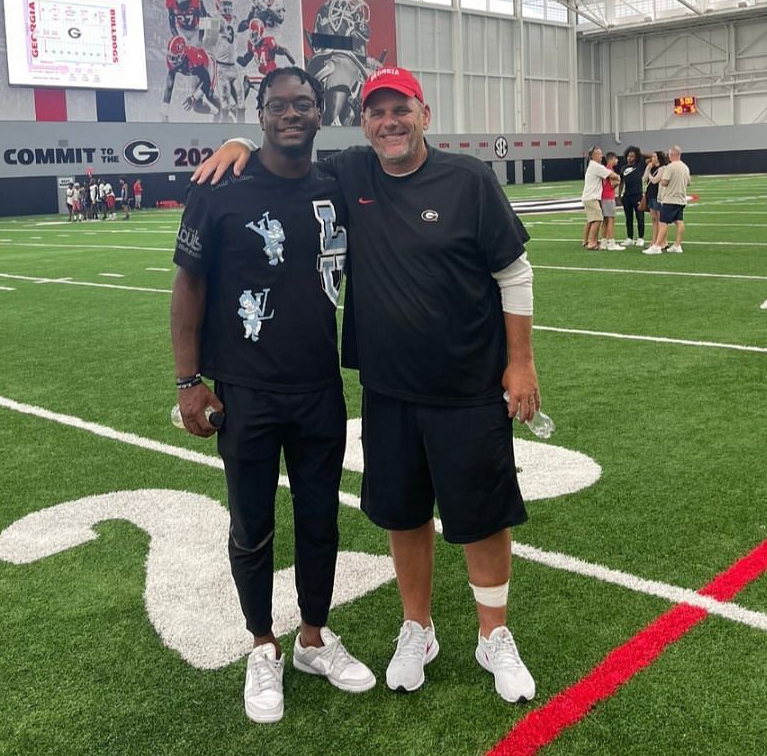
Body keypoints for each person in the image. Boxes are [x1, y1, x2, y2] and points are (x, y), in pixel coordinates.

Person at [193, 66, 541, 705]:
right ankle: (418, 629)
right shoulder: (350, 174)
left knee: (483, 513)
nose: (390, 122)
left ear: (424, 114)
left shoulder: (469, 178)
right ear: (363, 124)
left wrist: (520, 363)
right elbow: (285, 147)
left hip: (467, 382)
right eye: (377, 112)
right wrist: (240, 146)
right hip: (387, 388)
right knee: (404, 512)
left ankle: (494, 635)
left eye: (400, 109)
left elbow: (514, 273)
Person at [170, 67, 375, 724]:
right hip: (247, 391)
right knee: (252, 527)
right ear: (260, 114)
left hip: (320, 386)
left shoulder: (337, 182)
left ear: (321, 113)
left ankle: (314, 637)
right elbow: (188, 289)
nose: (293, 114)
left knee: (321, 522)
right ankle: (262, 644)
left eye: (304, 104)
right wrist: (188, 381)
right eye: (279, 105)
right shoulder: (222, 189)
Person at [646, 145, 692, 254]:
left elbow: (665, 182)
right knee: (679, 222)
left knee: (663, 223)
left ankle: (657, 246)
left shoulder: (670, 167)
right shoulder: (685, 167)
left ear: (672, 155)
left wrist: (661, 180)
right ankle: (677, 245)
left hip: (670, 199)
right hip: (681, 199)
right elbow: (689, 183)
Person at [579, 146, 616, 250]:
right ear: (593, 156)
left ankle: (586, 241)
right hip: (591, 197)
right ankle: (592, 242)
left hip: (588, 196)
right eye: (599, 154)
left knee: (591, 220)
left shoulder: (593, 165)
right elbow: (611, 175)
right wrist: (618, 177)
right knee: (598, 219)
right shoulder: (596, 166)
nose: (601, 156)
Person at [618, 146, 646, 246]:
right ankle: (629, 238)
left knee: (640, 218)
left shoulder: (640, 165)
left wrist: (640, 154)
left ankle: (641, 238)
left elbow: (652, 156)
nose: (629, 158)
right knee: (628, 218)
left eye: (632, 156)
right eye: (628, 156)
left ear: (636, 157)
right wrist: (619, 195)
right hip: (627, 196)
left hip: (637, 195)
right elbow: (621, 182)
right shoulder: (623, 168)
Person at [599, 152, 623, 250]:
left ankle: (604, 241)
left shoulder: (606, 169)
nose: (617, 160)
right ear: (611, 159)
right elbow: (613, 184)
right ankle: (611, 242)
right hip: (608, 196)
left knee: (605, 220)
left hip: (604, 196)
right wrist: (618, 181)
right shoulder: (609, 169)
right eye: (615, 159)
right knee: (611, 219)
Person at [641, 149, 663, 245]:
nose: (652, 159)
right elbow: (644, 179)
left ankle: (661, 241)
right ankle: (654, 240)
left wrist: (649, 173)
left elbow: (654, 180)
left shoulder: (662, 168)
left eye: (654, 157)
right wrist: (648, 169)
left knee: (660, 220)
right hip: (650, 195)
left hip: (658, 196)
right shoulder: (650, 167)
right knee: (654, 220)